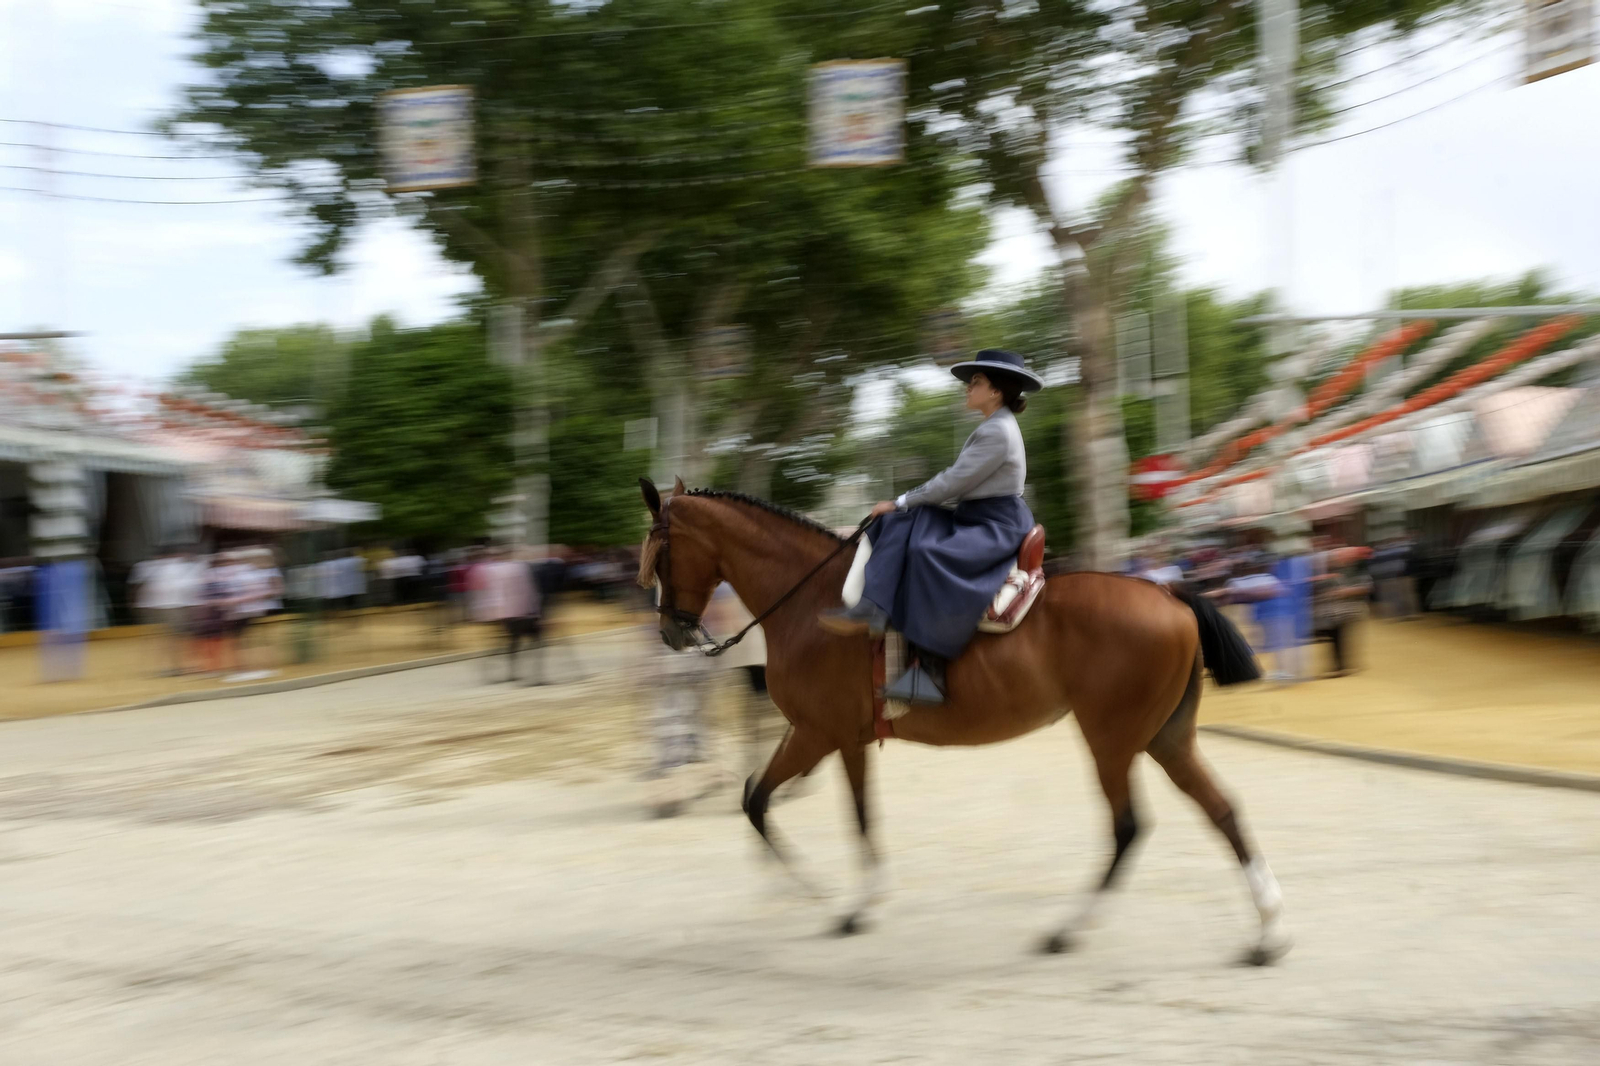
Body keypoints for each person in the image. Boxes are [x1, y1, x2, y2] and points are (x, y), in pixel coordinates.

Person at [821, 348, 1043, 704]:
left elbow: (953, 482)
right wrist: (898, 508)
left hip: (996, 524)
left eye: (976, 382)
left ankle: (930, 672)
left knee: (928, 551)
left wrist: (900, 500)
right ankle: (873, 605)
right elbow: (954, 486)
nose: (967, 388)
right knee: (898, 523)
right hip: (975, 515)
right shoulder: (992, 426)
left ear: (996, 391)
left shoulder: (998, 432)